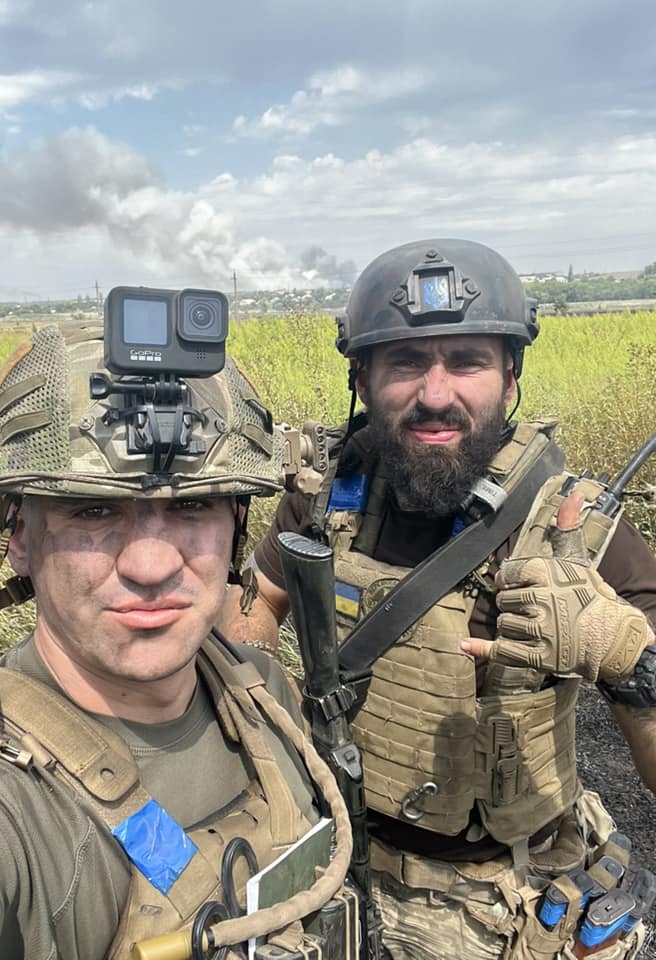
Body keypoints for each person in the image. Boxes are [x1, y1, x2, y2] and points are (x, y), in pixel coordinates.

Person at [220, 239, 656, 960]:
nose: (435, 394)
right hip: (340, 865)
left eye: (467, 361)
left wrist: (628, 661)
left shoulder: (577, 533)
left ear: (510, 378)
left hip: (507, 898)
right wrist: (259, 713)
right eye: (404, 362)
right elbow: (258, 604)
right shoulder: (327, 499)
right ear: (361, 379)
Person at [0, 318, 355, 960]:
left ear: (238, 526)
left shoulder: (258, 687)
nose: (152, 565)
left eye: (192, 506)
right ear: (18, 536)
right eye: (93, 510)